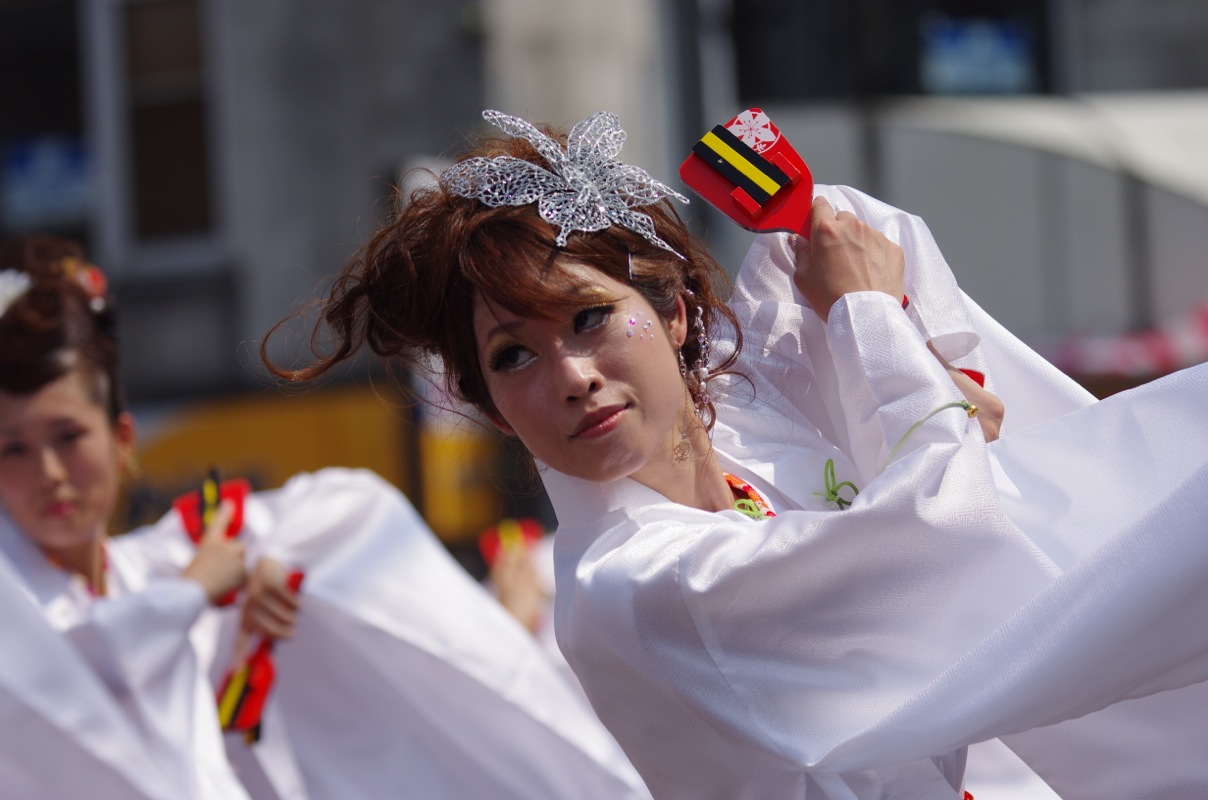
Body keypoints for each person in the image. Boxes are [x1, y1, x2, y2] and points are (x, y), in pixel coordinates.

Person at [265, 109, 1208, 800]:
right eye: (513, 356)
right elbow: (944, 549)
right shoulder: (640, 583)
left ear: (674, 314)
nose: (572, 375)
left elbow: (811, 342)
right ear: (494, 408)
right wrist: (877, 327)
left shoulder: (757, 450)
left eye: (591, 318)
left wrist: (932, 398)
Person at [0, 236, 652, 800]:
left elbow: (344, 515)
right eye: (13, 449)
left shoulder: (170, 561)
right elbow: (68, 678)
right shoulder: (67, 603)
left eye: (67, 437)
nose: (50, 473)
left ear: (120, 438)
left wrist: (275, 587)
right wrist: (193, 594)